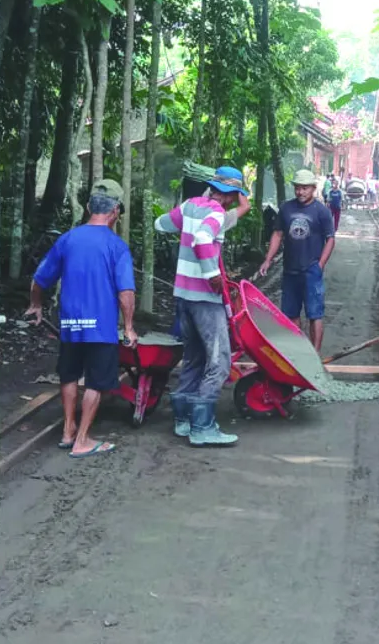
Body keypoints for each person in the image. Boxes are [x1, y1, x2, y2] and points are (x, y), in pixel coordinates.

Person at [26, 179, 134, 458]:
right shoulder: (117, 246)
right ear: (116, 211)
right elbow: (125, 293)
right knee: (96, 382)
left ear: (88, 207)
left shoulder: (68, 239)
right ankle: (83, 440)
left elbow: (40, 279)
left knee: (70, 375)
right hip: (101, 329)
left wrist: (36, 305)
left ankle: (67, 431)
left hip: (71, 326)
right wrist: (130, 328)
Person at [154, 166, 252, 447]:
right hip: (205, 299)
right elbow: (203, 239)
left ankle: (183, 419)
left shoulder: (190, 206)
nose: (235, 201)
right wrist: (213, 276)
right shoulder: (217, 212)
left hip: (183, 296)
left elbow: (160, 224)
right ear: (231, 194)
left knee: (194, 357)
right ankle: (202, 426)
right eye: (235, 195)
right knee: (220, 361)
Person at [258, 169, 336, 351]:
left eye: (305, 188)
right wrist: (268, 259)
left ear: (313, 188)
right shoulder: (286, 208)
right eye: (298, 188)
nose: (300, 192)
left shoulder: (322, 211)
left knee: (314, 314)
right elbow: (277, 234)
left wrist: (320, 264)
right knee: (291, 313)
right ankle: (298, 352)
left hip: (311, 270)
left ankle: (315, 354)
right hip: (290, 269)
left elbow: (330, 239)